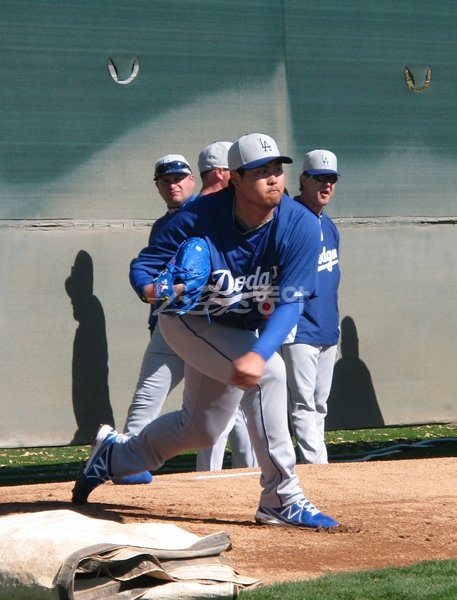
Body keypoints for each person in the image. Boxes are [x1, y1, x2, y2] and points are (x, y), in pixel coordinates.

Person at [71, 132, 339, 529]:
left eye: (277, 169)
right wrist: (149, 289)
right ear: (235, 179)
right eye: (259, 171)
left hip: (238, 329)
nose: (273, 179)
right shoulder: (198, 217)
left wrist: (258, 350)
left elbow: (293, 301)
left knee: (200, 428)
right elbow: (145, 266)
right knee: (271, 376)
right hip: (188, 320)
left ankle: (114, 456)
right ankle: (281, 498)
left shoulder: (297, 224)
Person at [114, 154, 196, 484]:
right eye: (166, 180)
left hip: (214, 324)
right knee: (149, 395)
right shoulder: (163, 226)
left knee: (228, 408)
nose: (173, 183)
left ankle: (231, 473)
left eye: (179, 177)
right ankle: (126, 462)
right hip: (171, 323)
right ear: (158, 186)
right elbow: (149, 274)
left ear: (193, 180)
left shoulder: (209, 214)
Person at [195, 141, 258, 471]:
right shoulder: (205, 215)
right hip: (213, 326)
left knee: (236, 410)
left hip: (223, 325)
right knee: (218, 411)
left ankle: (238, 474)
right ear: (224, 173)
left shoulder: (199, 212)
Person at [281, 149, 341, 464]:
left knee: (320, 404)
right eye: (320, 178)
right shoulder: (291, 217)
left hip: (327, 327)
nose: (327, 185)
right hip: (299, 327)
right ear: (304, 179)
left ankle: (316, 467)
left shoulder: (329, 225)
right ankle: (319, 469)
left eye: (331, 179)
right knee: (303, 404)